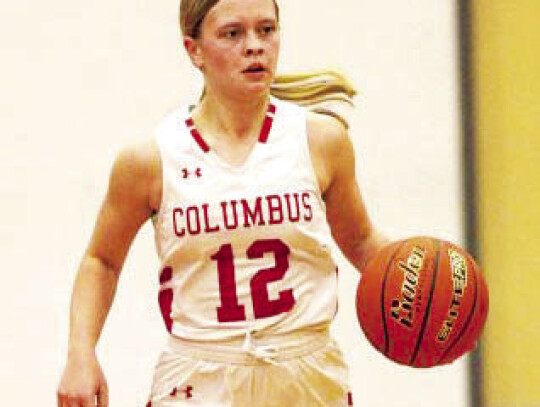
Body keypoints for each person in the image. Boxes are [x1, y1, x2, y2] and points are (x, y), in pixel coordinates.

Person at [56, 0, 387, 406]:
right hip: (200, 374)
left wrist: (439, 290)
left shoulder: (321, 141)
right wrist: (80, 353)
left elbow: (363, 242)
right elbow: (101, 261)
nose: (255, 46)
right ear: (193, 49)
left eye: (266, 30)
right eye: (233, 33)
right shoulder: (151, 159)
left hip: (306, 373)